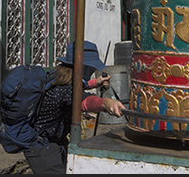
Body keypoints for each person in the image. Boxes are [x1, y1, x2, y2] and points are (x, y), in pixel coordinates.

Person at [23, 41, 125, 174]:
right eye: (90, 68)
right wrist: (106, 103)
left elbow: (81, 85)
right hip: (40, 145)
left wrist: (95, 83)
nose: (93, 71)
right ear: (81, 67)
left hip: (54, 140)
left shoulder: (59, 77)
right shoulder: (66, 88)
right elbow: (83, 101)